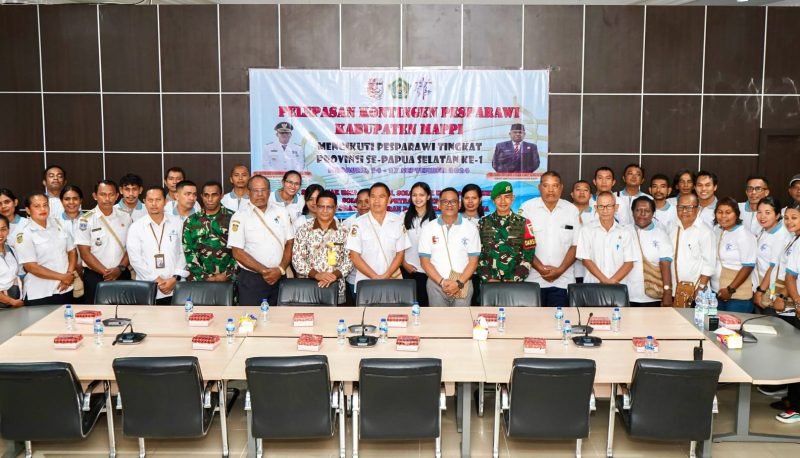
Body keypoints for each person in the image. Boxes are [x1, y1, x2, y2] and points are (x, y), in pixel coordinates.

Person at [227, 175, 294, 306]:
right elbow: (237, 252)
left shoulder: (281, 212)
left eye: (263, 190)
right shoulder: (240, 216)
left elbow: (290, 243)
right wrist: (265, 271)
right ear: (249, 192)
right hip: (252, 280)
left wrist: (280, 269)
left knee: (281, 321)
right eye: (255, 190)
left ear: (269, 191)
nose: (260, 194)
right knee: (251, 320)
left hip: (279, 276)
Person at [520, 171, 578, 307]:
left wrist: (560, 270)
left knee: (558, 324)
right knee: (533, 326)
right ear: (539, 187)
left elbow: (576, 245)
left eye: (555, 186)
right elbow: (522, 244)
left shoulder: (571, 210)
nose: (551, 190)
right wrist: (540, 268)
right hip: (533, 279)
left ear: (561, 188)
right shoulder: (527, 208)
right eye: (546, 185)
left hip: (563, 280)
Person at [418, 188, 480, 306]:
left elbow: (473, 262)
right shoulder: (428, 228)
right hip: (436, 285)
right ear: (439, 204)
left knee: (461, 322)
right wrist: (442, 282)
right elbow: (424, 262)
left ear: (459, 204)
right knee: (438, 323)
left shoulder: (471, 228)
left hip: (463, 283)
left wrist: (458, 283)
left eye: (453, 201)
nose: (449, 205)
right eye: (445, 201)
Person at [126, 186, 187, 304]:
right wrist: (156, 280)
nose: (154, 204)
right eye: (150, 200)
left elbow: (183, 253)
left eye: (158, 200)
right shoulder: (136, 227)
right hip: (148, 286)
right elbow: (135, 259)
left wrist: (175, 278)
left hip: (175, 286)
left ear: (165, 201)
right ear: (144, 202)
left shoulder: (178, 223)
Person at [75, 180, 132, 304]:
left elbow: (131, 248)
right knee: (97, 313)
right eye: (103, 194)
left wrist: (120, 268)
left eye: (111, 194)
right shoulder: (85, 220)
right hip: (95, 276)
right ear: (95, 196)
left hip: (121, 274)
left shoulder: (126, 217)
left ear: (117, 196)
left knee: (124, 312)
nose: (107, 198)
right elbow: (85, 253)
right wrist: (106, 273)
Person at [15, 194, 77, 305]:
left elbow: (72, 251)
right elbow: (31, 267)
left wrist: (69, 274)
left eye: (45, 205)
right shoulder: (24, 234)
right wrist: (63, 277)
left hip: (65, 288)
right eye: (37, 206)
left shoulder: (58, 224)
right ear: (28, 210)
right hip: (40, 293)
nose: (42, 209)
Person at [346, 182, 410, 290]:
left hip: (393, 280)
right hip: (365, 283)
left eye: (381, 196)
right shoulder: (357, 223)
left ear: (389, 200)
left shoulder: (397, 222)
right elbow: (354, 256)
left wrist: (386, 275)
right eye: (373, 196)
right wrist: (375, 277)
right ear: (369, 199)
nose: (376, 200)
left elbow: (400, 253)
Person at [292, 190, 352, 304]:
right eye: (321, 206)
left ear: (335, 208)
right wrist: (317, 275)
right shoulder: (303, 230)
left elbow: (350, 260)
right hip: (308, 287)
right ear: (316, 207)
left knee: (335, 321)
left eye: (329, 207)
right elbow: (297, 260)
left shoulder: (344, 231)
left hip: (336, 287)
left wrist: (334, 276)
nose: (325, 211)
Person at [478, 181, 536, 284]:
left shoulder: (524, 223)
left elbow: (529, 253)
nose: (503, 201)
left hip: (515, 283)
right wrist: (488, 277)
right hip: (489, 283)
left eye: (507, 197)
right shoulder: (483, 223)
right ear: (493, 200)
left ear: (513, 198)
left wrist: (515, 278)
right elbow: (478, 253)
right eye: (499, 197)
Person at [576, 192, 635, 285]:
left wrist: (612, 281)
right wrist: (604, 280)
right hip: (593, 285)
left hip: (617, 287)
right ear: (596, 208)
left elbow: (629, 263)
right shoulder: (586, 230)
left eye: (609, 206)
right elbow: (585, 260)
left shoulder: (625, 232)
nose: (605, 210)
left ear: (616, 208)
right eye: (601, 206)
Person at [182, 181, 236, 283]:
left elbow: (239, 250)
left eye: (214, 195)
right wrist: (204, 276)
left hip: (229, 280)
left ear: (221, 196)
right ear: (201, 196)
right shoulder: (191, 221)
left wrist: (227, 274)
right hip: (199, 281)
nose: (210, 199)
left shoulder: (234, 218)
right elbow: (188, 251)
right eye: (206, 195)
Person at [711, 197, 757, 313]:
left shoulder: (744, 235)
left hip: (737, 296)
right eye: (720, 212)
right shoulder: (717, 230)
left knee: (732, 330)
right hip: (716, 292)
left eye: (728, 212)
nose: (723, 216)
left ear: (736, 214)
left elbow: (748, 266)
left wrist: (730, 289)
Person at [670, 192, 716, 303]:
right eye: (681, 207)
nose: (684, 211)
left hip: (696, 293)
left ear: (698, 209)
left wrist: (700, 289)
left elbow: (709, 264)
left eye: (689, 207)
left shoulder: (705, 232)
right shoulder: (671, 227)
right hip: (674, 291)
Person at [628, 196, 674, 307]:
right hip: (626, 293)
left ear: (653, 213)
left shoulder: (661, 234)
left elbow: (665, 264)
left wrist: (667, 292)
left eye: (647, 211)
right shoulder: (624, 231)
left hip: (652, 295)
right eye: (638, 210)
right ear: (632, 212)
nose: (642, 214)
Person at [753, 197, 792, 314]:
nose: (762, 216)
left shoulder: (781, 235)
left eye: (767, 213)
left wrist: (760, 291)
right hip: (760, 284)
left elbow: (773, 267)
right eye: (759, 212)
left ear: (777, 215)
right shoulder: (764, 230)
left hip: (770, 289)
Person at [401, 182, 436, 306]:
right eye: (414, 195)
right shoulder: (403, 217)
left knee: (425, 306)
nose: (418, 198)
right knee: (408, 305)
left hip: (428, 271)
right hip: (408, 269)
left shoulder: (435, 220)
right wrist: (404, 264)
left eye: (421, 195)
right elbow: (398, 245)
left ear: (428, 197)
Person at [341, 188, 370, 305]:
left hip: (379, 276)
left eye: (367, 201)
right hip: (354, 277)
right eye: (360, 202)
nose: (363, 205)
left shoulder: (382, 221)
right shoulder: (348, 223)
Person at [571, 180, 596, 282]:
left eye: (585, 190)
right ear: (572, 194)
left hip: (591, 269)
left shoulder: (597, 214)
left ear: (590, 195)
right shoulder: (564, 212)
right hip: (568, 270)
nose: (581, 193)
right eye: (578, 190)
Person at [0, 215, 23, 308]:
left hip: (14, 304)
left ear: (8, 230)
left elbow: (18, 275)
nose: (0, 234)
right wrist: (11, 301)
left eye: (3, 229)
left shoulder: (11, 250)